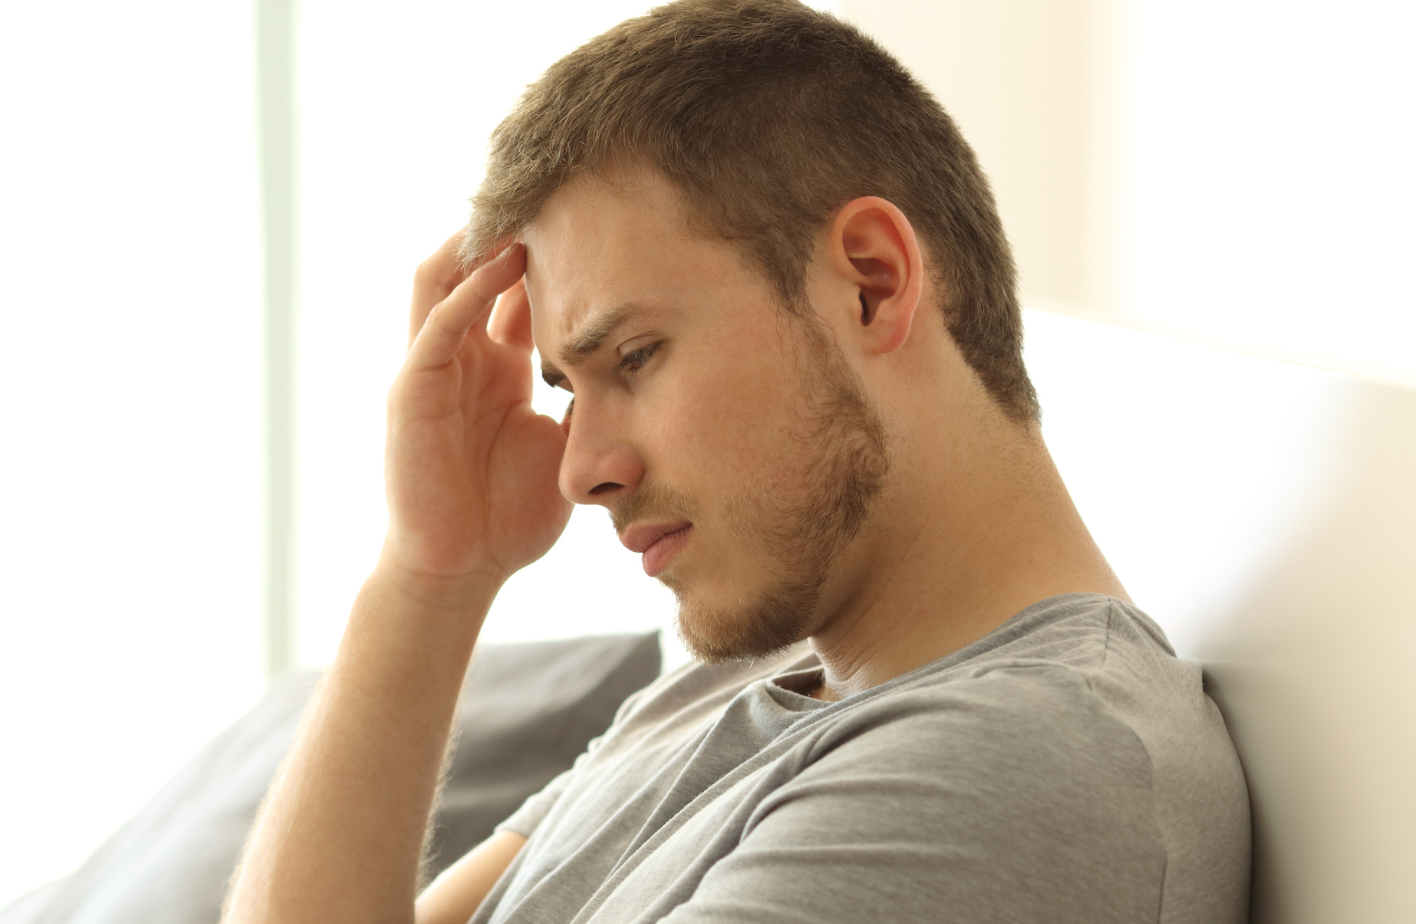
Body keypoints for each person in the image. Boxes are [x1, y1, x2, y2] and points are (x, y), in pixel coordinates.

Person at [222, 1, 1251, 922]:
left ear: (870, 284)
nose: (579, 471)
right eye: (562, 389)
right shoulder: (730, 688)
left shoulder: (1011, 762)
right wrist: (429, 573)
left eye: (632, 357)